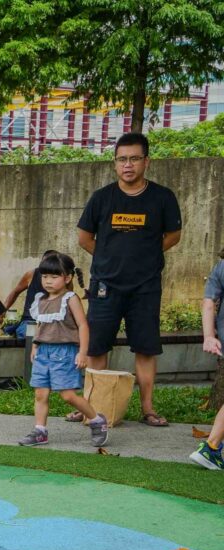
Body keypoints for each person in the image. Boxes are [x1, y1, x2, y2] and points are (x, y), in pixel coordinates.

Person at [76, 132, 182, 427]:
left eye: (134, 158)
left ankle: (147, 408)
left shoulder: (163, 197)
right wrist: (110, 256)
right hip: (105, 287)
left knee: (146, 348)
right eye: (122, 159)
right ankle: (91, 408)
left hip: (145, 287)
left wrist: (145, 254)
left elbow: (173, 235)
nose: (128, 165)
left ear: (146, 161)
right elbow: (85, 238)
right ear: (115, 163)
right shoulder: (101, 198)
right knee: (97, 348)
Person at [16, 253, 108, 448]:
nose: (48, 281)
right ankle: (40, 431)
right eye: (44, 276)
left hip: (64, 353)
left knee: (68, 395)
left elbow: (83, 325)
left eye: (54, 276)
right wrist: (35, 345)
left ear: (67, 278)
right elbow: (41, 324)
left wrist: (83, 352)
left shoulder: (70, 298)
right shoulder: (40, 299)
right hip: (43, 353)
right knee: (40, 394)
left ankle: (96, 420)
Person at [190, 250, 224, 470]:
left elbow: (208, 302)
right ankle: (211, 446)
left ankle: (212, 446)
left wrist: (209, 336)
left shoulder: (220, 267)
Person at [1, 250, 57, 340]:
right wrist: (2, 312)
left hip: (52, 322)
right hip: (30, 321)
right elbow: (15, 292)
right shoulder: (31, 274)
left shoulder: (62, 279)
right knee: (31, 333)